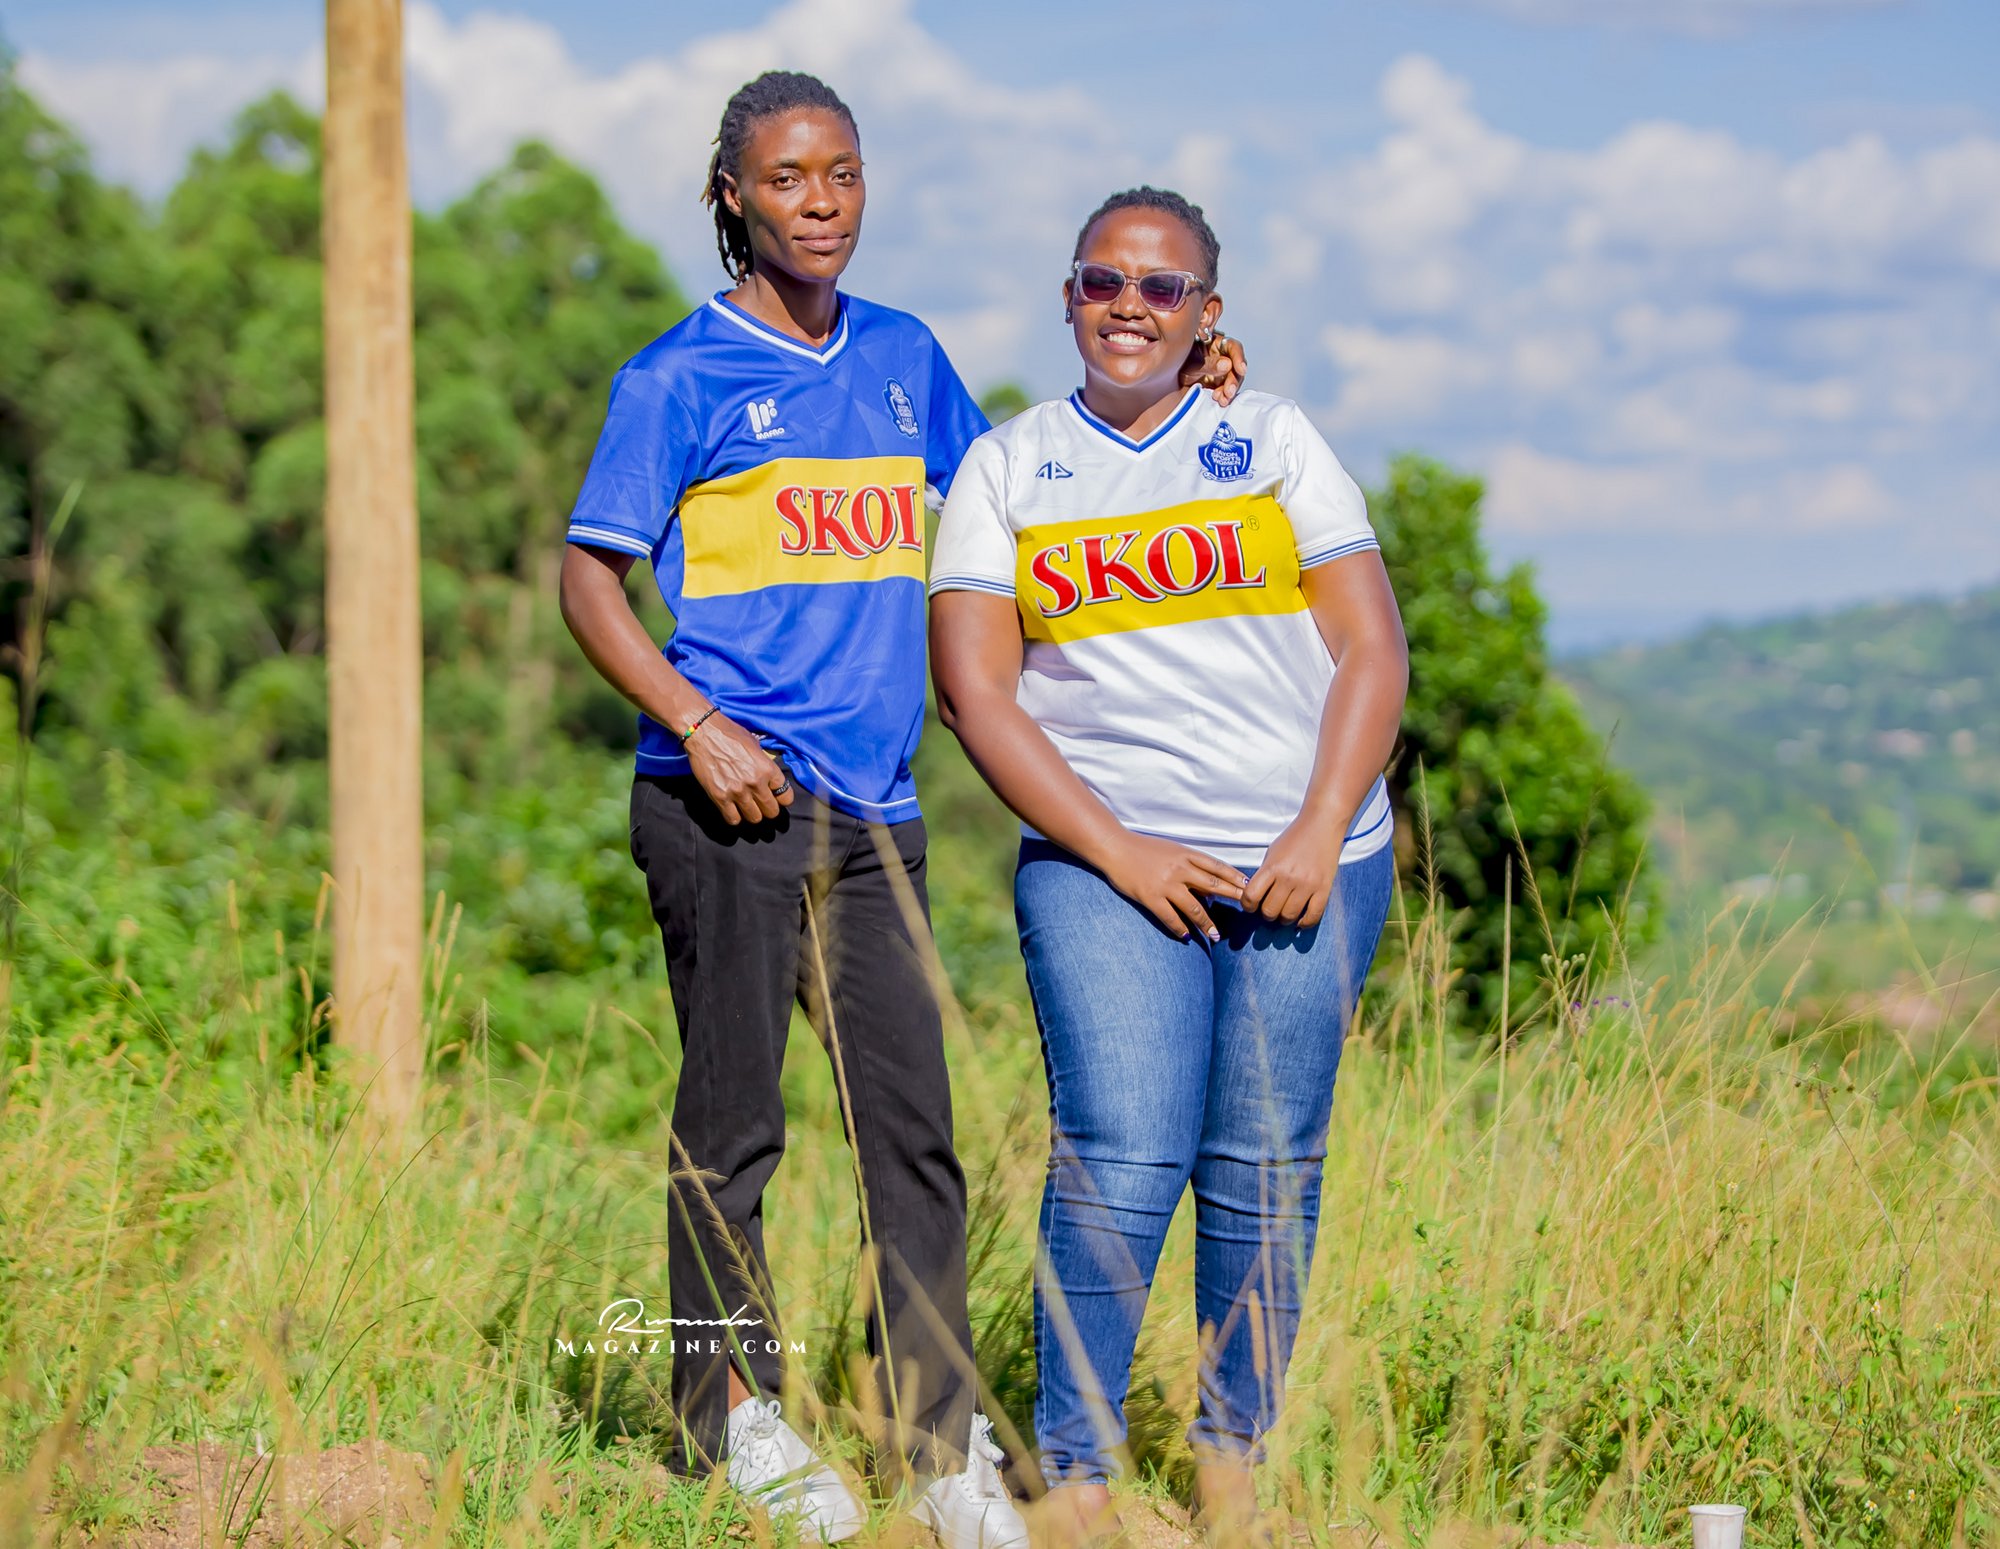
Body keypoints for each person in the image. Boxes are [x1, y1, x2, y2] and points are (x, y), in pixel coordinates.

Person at [557, 75, 1244, 1547]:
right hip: (725, 805)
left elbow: (1023, 496)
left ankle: (936, 1442)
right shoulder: (677, 378)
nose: (821, 202)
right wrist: (698, 725)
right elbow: (589, 582)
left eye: (844, 174)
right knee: (734, 1128)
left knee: (910, 1136)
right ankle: (732, 1420)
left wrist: (1184, 398)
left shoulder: (902, 355)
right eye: (787, 178)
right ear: (732, 196)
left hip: (875, 814)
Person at [928, 187, 1408, 1547]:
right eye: (1103, 281)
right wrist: (1119, 851)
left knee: (1264, 1163)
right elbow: (977, 696)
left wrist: (1319, 822)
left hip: (1307, 860)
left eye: (1163, 287)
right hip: (1104, 861)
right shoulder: (1008, 468)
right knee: (1122, 1155)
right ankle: (1079, 1473)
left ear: (1208, 313)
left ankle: (1228, 1460)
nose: (1129, 306)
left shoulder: (1273, 439)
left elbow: (1371, 651)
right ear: (1068, 296)